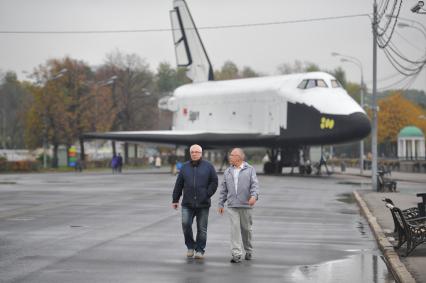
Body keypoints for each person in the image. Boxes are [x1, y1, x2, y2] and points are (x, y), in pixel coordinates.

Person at [172, 144, 218, 259]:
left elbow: (214, 182)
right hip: (187, 203)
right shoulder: (184, 167)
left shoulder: (208, 166)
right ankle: (190, 247)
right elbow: (179, 184)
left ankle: (200, 250)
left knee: (202, 228)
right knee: (186, 225)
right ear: (190, 153)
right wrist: (175, 199)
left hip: (203, 203)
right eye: (192, 152)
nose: (194, 154)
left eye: (197, 152)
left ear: (201, 153)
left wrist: (207, 194)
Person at [218, 148, 259, 263]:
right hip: (232, 205)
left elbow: (255, 186)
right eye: (230, 155)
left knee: (246, 230)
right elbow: (223, 189)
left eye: (232, 155)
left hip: (246, 205)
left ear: (240, 157)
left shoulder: (250, 170)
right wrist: (221, 203)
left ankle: (249, 250)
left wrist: (254, 196)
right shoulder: (228, 171)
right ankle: (236, 254)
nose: (230, 157)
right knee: (234, 229)